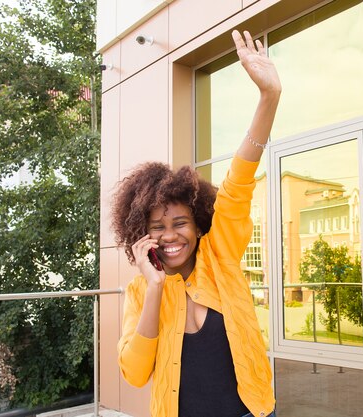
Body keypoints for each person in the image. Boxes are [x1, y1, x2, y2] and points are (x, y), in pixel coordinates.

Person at [112, 30, 281, 417]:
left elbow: (238, 183)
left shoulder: (220, 256)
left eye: (179, 222)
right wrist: (154, 289)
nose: (169, 235)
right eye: (157, 226)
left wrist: (268, 98)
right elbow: (135, 374)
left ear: (199, 223)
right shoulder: (139, 292)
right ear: (141, 232)